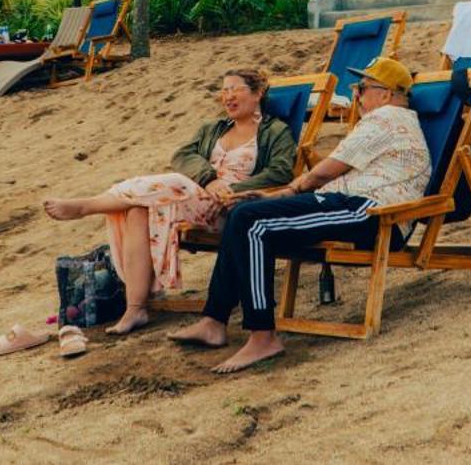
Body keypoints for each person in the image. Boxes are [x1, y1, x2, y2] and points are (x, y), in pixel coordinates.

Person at [168, 56, 430, 373]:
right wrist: (272, 195)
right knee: (245, 213)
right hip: (347, 204)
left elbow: (328, 169)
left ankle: (262, 335)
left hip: (370, 212)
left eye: (361, 88)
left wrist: (289, 191)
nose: (356, 95)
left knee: (252, 222)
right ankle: (213, 320)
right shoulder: (390, 120)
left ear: (386, 93)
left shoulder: (388, 117)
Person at [32, 70, 298, 342]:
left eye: (235, 89)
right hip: (195, 197)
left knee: (173, 182)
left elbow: (280, 171)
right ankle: (135, 308)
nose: (227, 96)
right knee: (137, 209)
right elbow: (181, 155)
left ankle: (88, 206)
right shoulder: (213, 129)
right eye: (223, 90)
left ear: (258, 93)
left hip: (231, 207)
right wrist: (208, 180)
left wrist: (232, 190)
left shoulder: (275, 131)